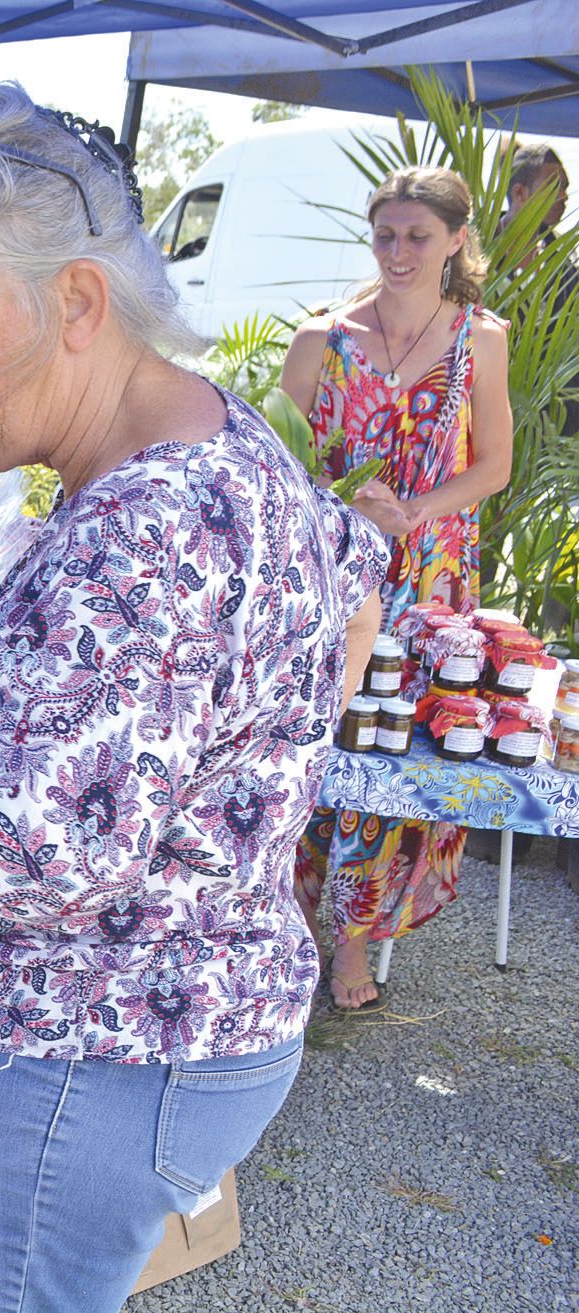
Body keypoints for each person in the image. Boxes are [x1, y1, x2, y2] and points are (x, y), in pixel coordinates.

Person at [0, 82, 389, 1310]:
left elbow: (16, 857)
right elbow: (361, 565)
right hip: (103, 1016)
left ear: (76, 300)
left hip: (93, 1050)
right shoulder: (210, 435)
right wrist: (251, 772)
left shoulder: (143, 534)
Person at [282, 165, 514, 1010]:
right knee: (319, 747)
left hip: (431, 580)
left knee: (395, 761)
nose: (397, 251)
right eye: (384, 234)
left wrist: (412, 508)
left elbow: (493, 465)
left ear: (455, 240)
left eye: (417, 235)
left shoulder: (478, 341)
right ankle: (293, 921)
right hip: (335, 572)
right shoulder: (322, 340)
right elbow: (275, 460)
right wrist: (342, 499)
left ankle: (353, 943)